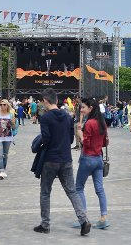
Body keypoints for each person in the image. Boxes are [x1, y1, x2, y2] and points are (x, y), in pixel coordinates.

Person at [33, 88, 91, 236]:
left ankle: (45, 225)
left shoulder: (45, 118)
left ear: (46, 101)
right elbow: (71, 139)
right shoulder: (67, 117)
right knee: (72, 191)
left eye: (43, 101)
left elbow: (45, 138)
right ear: (57, 100)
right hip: (66, 159)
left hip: (50, 160)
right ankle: (83, 221)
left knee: (45, 192)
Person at [75, 98, 109, 229]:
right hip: (99, 159)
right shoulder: (101, 123)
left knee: (78, 188)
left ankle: (83, 219)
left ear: (91, 108)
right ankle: (103, 217)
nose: (81, 109)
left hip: (87, 158)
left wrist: (79, 134)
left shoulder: (90, 123)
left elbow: (86, 143)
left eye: (83, 107)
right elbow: (106, 142)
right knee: (100, 189)